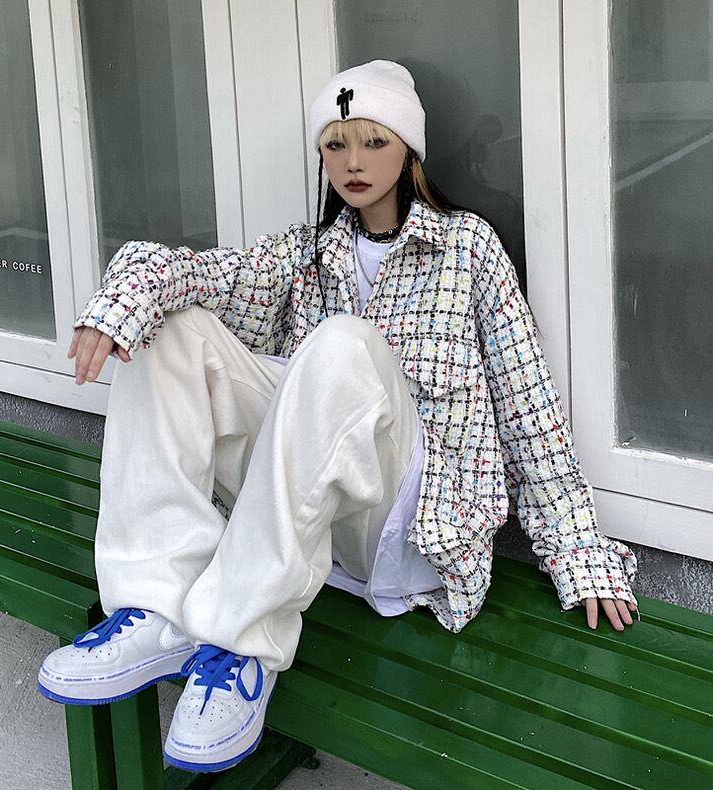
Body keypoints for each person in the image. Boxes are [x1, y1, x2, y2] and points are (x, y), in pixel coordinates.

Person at [37, 60, 640, 773]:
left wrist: (577, 548)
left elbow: (526, 399)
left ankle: (242, 643)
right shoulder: (305, 254)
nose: (353, 162)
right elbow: (199, 273)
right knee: (169, 328)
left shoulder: (467, 247)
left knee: (342, 343)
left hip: (409, 523)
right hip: (318, 530)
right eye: (336, 143)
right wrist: (121, 302)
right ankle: (153, 608)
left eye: (374, 142)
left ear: (409, 152)